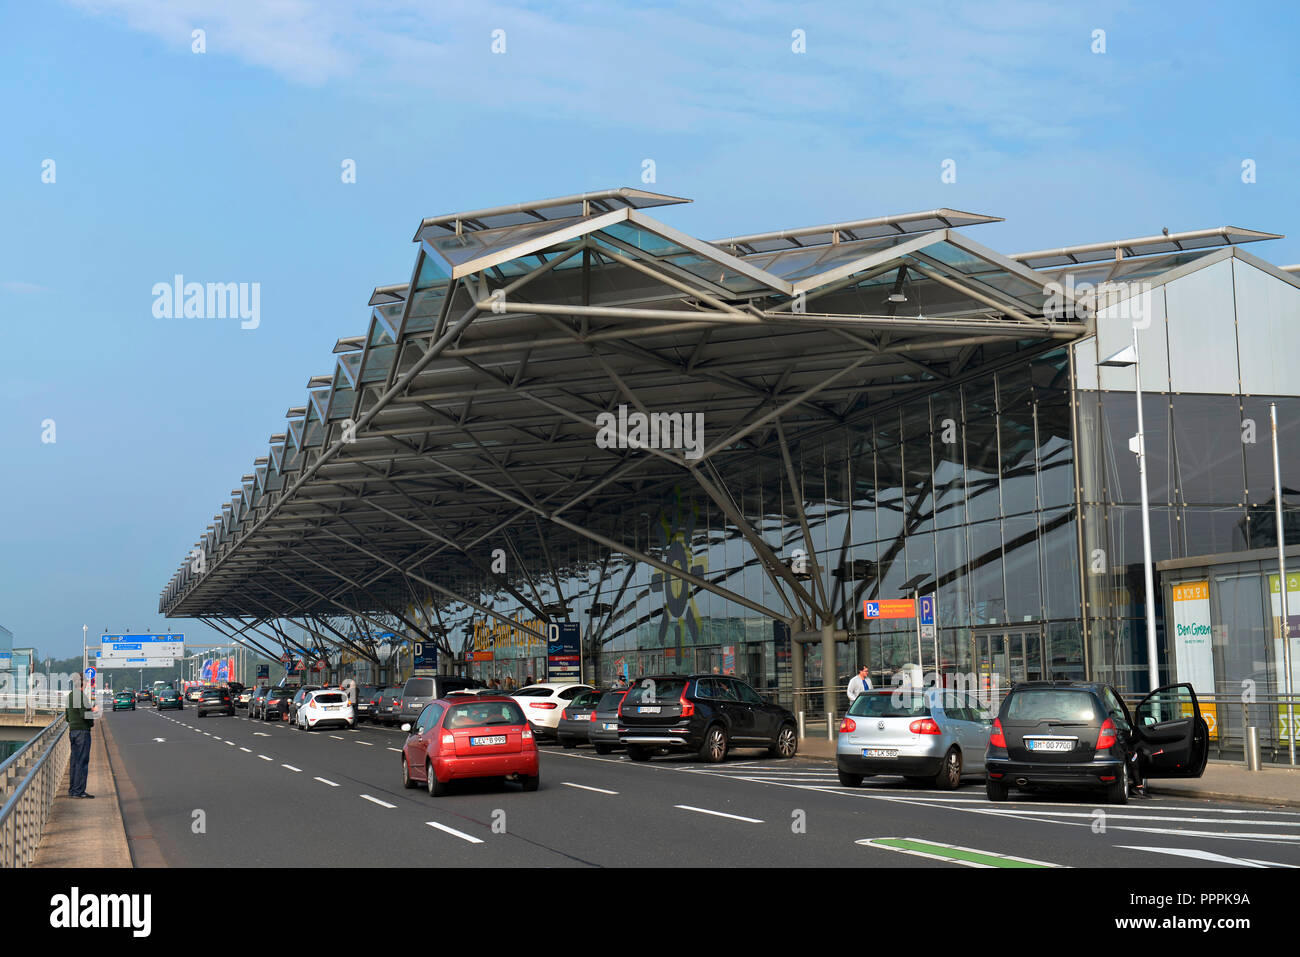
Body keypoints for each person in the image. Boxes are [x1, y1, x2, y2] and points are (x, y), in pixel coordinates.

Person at [66, 676, 96, 799]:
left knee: (74, 762)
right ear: (83, 685)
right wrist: (93, 712)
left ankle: (73, 789)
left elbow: (67, 716)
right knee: (82, 762)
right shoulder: (81, 696)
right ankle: (79, 791)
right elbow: (85, 714)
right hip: (82, 732)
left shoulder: (70, 696)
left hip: (72, 731)